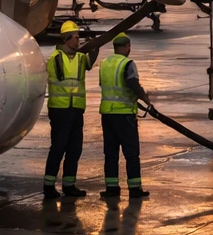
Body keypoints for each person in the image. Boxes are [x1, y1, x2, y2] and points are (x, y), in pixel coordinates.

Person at [43, 20, 98, 199]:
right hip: (60, 110)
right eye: (75, 37)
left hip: (76, 110)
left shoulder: (80, 58)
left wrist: (95, 45)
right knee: (58, 148)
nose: (78, 41)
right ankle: (49, 185)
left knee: (75, 149)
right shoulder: (55, 58)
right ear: (66, 39)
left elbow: (89, 61)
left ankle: (69, 184)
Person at [98, 32, 151, 200]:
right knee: (131, 153)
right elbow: (131, 83)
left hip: (107, 113)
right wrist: (144, 97)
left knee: (111, 153)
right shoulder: (128, 63)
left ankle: (112, 188)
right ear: (127, 47)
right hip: (124, 114)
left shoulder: (104, 63)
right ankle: (134, 188)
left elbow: (104, 84)